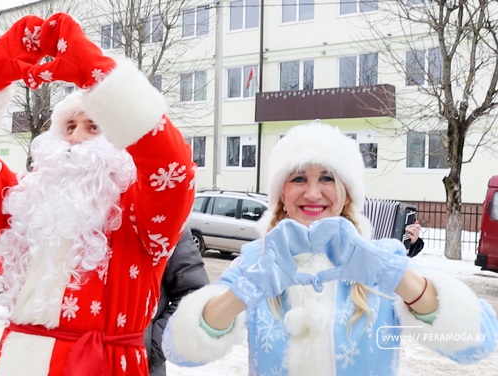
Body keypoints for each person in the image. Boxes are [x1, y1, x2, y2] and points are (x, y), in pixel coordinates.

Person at [0, 13, 195, 376]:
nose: (75, 136)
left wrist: (96, 73)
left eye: (93, 126)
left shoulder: (140, 218)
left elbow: (173, 169)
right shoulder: (24, 206)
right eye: (68, 126)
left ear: (122, 139)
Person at [162, 122, 498, 375]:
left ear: (347, 192)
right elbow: (181, 351)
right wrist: (243, 292)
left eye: (326, 178)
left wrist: (396, 277)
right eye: (297, 179)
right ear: (281, 193)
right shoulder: (256, 264)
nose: (312, 193)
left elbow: (477, 343)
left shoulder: (384, 260)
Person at [144, 229, 210, 375]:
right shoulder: (85, 214)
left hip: (142, 367)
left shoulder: (168, 218)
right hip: (84, 361)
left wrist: (152, 346)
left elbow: (196, 293)